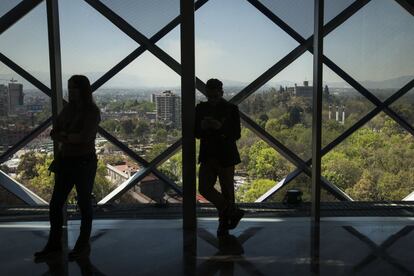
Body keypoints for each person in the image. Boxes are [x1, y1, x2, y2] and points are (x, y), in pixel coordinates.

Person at [35, 75, 101, 259]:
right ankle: (68, 244)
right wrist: (69, 136)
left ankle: (73, 244)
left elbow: (81, 137)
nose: (71, 91)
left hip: (80, 162)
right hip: (74, 161)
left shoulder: (88, 112)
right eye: (69, 88)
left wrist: (65, 135)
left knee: (83, 203)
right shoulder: (81, 111)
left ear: (83, 90)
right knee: (58, 204)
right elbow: (57, 133)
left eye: (74, 88)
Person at [195, 78, 244, 236]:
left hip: (217, 155)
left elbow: (236, 134)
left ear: (221, 93)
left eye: (214, 96)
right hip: (221, 155)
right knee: (209, 188)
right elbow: (196, 132)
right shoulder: (227, 109)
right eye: (210, 96)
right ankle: (231, 213)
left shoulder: (230, 109)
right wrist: (203, 128)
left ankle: (224, 222)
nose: (212, 99)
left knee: (219, 190)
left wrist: (219, 128)